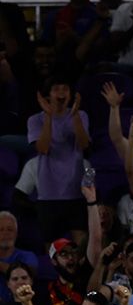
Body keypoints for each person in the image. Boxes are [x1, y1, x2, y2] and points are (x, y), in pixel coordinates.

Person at [28, 76, 90, 244]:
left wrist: (75, 115)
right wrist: (48, 116)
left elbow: (84, 144)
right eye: (56, 89)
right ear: (48, 95)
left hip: (75, 192)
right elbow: (43, 148)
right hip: (48, 195)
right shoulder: (35, 120)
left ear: (70, 95)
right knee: (52, 250)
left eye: (65, 89)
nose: (61, 93)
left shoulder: (81, 115)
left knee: (81, 246)